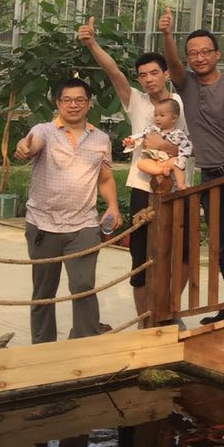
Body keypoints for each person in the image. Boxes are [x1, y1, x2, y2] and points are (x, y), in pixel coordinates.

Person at [76, 19, 186, 316]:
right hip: (142, 188)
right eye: (142, 75)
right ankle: (143, 319)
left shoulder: (181, 101)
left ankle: (168, 314)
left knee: (179, 255)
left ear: (166, 74)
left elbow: (189, 144)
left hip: (178, 187)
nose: (149, 79)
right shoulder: (136, 101)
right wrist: (92, 44)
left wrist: (165, 147)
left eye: (154, 73)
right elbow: (114, 72)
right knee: (140, 256)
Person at [159, 11, 224, 320]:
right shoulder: (186, 85)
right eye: (193, 53)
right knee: (222, 243)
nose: (199, 58)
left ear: (217, 54)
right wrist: (167, 35)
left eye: (205, 52)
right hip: (209, 174)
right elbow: (173, 65)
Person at [15, 78, 122, 343]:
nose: (73, 105)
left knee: (83, 286)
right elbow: (31, 145)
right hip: (43, 224)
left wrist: (112, 206)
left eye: (79, 100)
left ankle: (85, 343)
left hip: (83, 225)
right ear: (58, 103)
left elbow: (105, 178)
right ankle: (43, 348)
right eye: (67, 100)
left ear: (89, 104)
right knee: (44, 292)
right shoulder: (44, 131)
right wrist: (24, 148)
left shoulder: (101, 139)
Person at [125, 98, 193, 191]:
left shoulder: (178, 134)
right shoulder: (152, 129)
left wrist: (181, 159)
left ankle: (181, 184)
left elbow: (187, 147)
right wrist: (132, 140)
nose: (157, 118)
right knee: (141, 163)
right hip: (154, 161)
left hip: (169, 161)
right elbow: (142, 135)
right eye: (155, 115)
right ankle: (161, 171)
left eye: (162, 115)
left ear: (174, 118)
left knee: (177, 163)